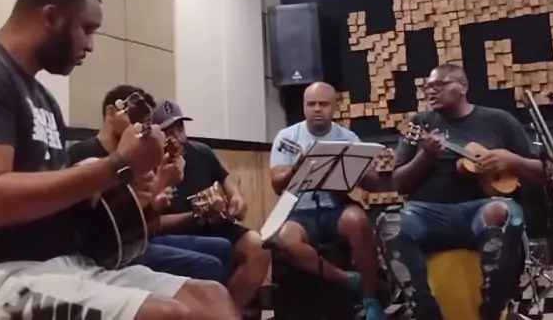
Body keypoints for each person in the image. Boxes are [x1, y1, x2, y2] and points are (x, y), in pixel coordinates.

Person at [0, 0, 238, 319]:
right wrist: (117, 165)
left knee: (210, 297)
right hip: (1, 274)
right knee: (166, 313)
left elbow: (57, 201)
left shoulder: (44, 99)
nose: (90, 45)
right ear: (51, 17)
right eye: (86, 29)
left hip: (67, 263)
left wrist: (123, 187)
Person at [378, 64, 544, 320]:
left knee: (505, 212)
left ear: (463, 86)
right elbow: (399, 184)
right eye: (428, 87)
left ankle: (492, 309)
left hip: (479, 210)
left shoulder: (499, 120)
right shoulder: (418, 124)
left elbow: (541, 172)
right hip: (426, 214)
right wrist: (425, 156)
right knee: (389, 223)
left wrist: (511, 160)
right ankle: (425, 311)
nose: (431, 91)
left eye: (440, 85)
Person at [67, 84, 234, 284]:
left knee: (224, 248)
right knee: (209, 265)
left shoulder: (135, 158)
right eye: (135, 119)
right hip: (107, 252)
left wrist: (157, 197)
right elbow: (99, 225)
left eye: (145, 122)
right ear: (111, 114)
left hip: (136, 242)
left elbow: (146, 222)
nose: (140, 128)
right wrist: (161, 183)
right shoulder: (82, 153)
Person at [269, 81, 385, 320]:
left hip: (336, 207)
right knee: (286, 239)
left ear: (334, 107)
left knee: (358, 220)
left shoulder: (348, 137)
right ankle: (346, 279)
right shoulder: (287, 137)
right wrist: (297, 168)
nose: (317, 109)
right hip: (299, 210)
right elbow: (277, 186)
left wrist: (356, 168)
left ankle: (371, 299)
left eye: (323, 104)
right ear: (304, 106)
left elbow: (373, 185)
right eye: (311, 104)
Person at [152, 100, 271, 311]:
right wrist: (197, 213)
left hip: (213, 224)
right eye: (168, 133)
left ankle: (230, 311)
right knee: (217, 252)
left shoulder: (200, 151)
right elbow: (153, 224)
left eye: (180, 129)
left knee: (259, 247)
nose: (177, 138)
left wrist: (236, 198)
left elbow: (226, 179)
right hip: (177, 234)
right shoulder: (152, 165)